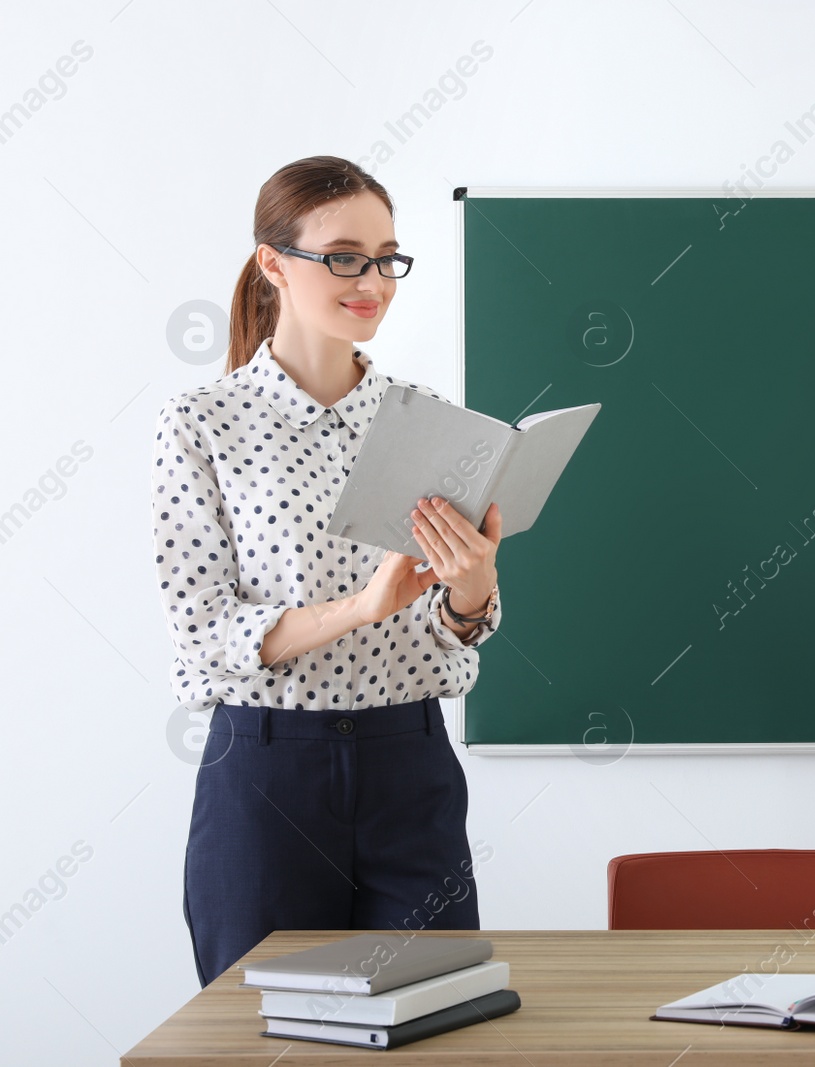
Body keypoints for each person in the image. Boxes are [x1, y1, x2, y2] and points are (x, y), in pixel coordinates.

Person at [150, 155, 504, 988]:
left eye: (386, 258)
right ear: (274, 263)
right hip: (267, 768)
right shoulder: (202, 423)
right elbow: (203, 636)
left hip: (409, 761)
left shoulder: (425, 420)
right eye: (345, 256)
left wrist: (470, 586)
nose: (372, 280)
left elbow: (445, 635)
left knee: (433, 1024)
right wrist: (360, 605)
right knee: (260, 1033)